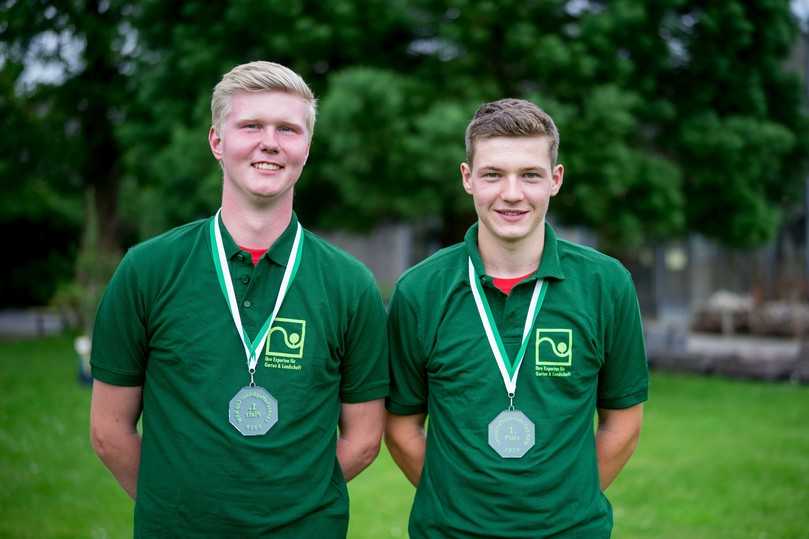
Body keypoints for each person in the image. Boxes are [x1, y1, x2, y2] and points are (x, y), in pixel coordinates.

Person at [89, 61, 388, 538]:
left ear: (307, 147)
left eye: (288, 129)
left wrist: (289, 506)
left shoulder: (350, 284)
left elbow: (365, 438)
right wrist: (178, 508)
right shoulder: (147, 270)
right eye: (251, 126)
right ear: (217, 141)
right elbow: (109, 431)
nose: (270, 142)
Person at [385, 98, 648, 538]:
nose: (511, 193)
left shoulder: (606, 284)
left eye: (530, 175)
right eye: (493, 174)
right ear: (467, 178)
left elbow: (623, 421)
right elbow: (400, 426)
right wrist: (457, 504)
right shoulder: (420, 290)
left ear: (555, 179)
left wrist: (564, 504)